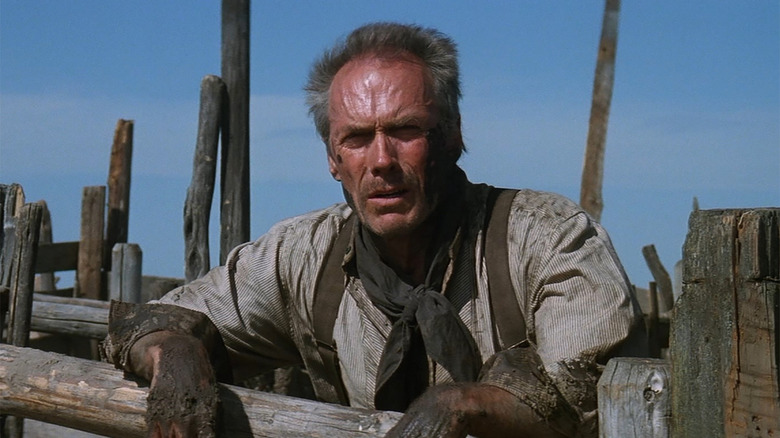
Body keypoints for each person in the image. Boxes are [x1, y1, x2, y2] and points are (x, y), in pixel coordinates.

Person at [102, 22, 646, 438]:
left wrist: (460, 404)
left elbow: (587, 399)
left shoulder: (547, 237)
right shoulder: (305, 256)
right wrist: (174, 354)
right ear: (333, 159)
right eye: (358, 138)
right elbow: (164, 319)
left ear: (453, 135)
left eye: (406, 130)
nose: (381, 160)